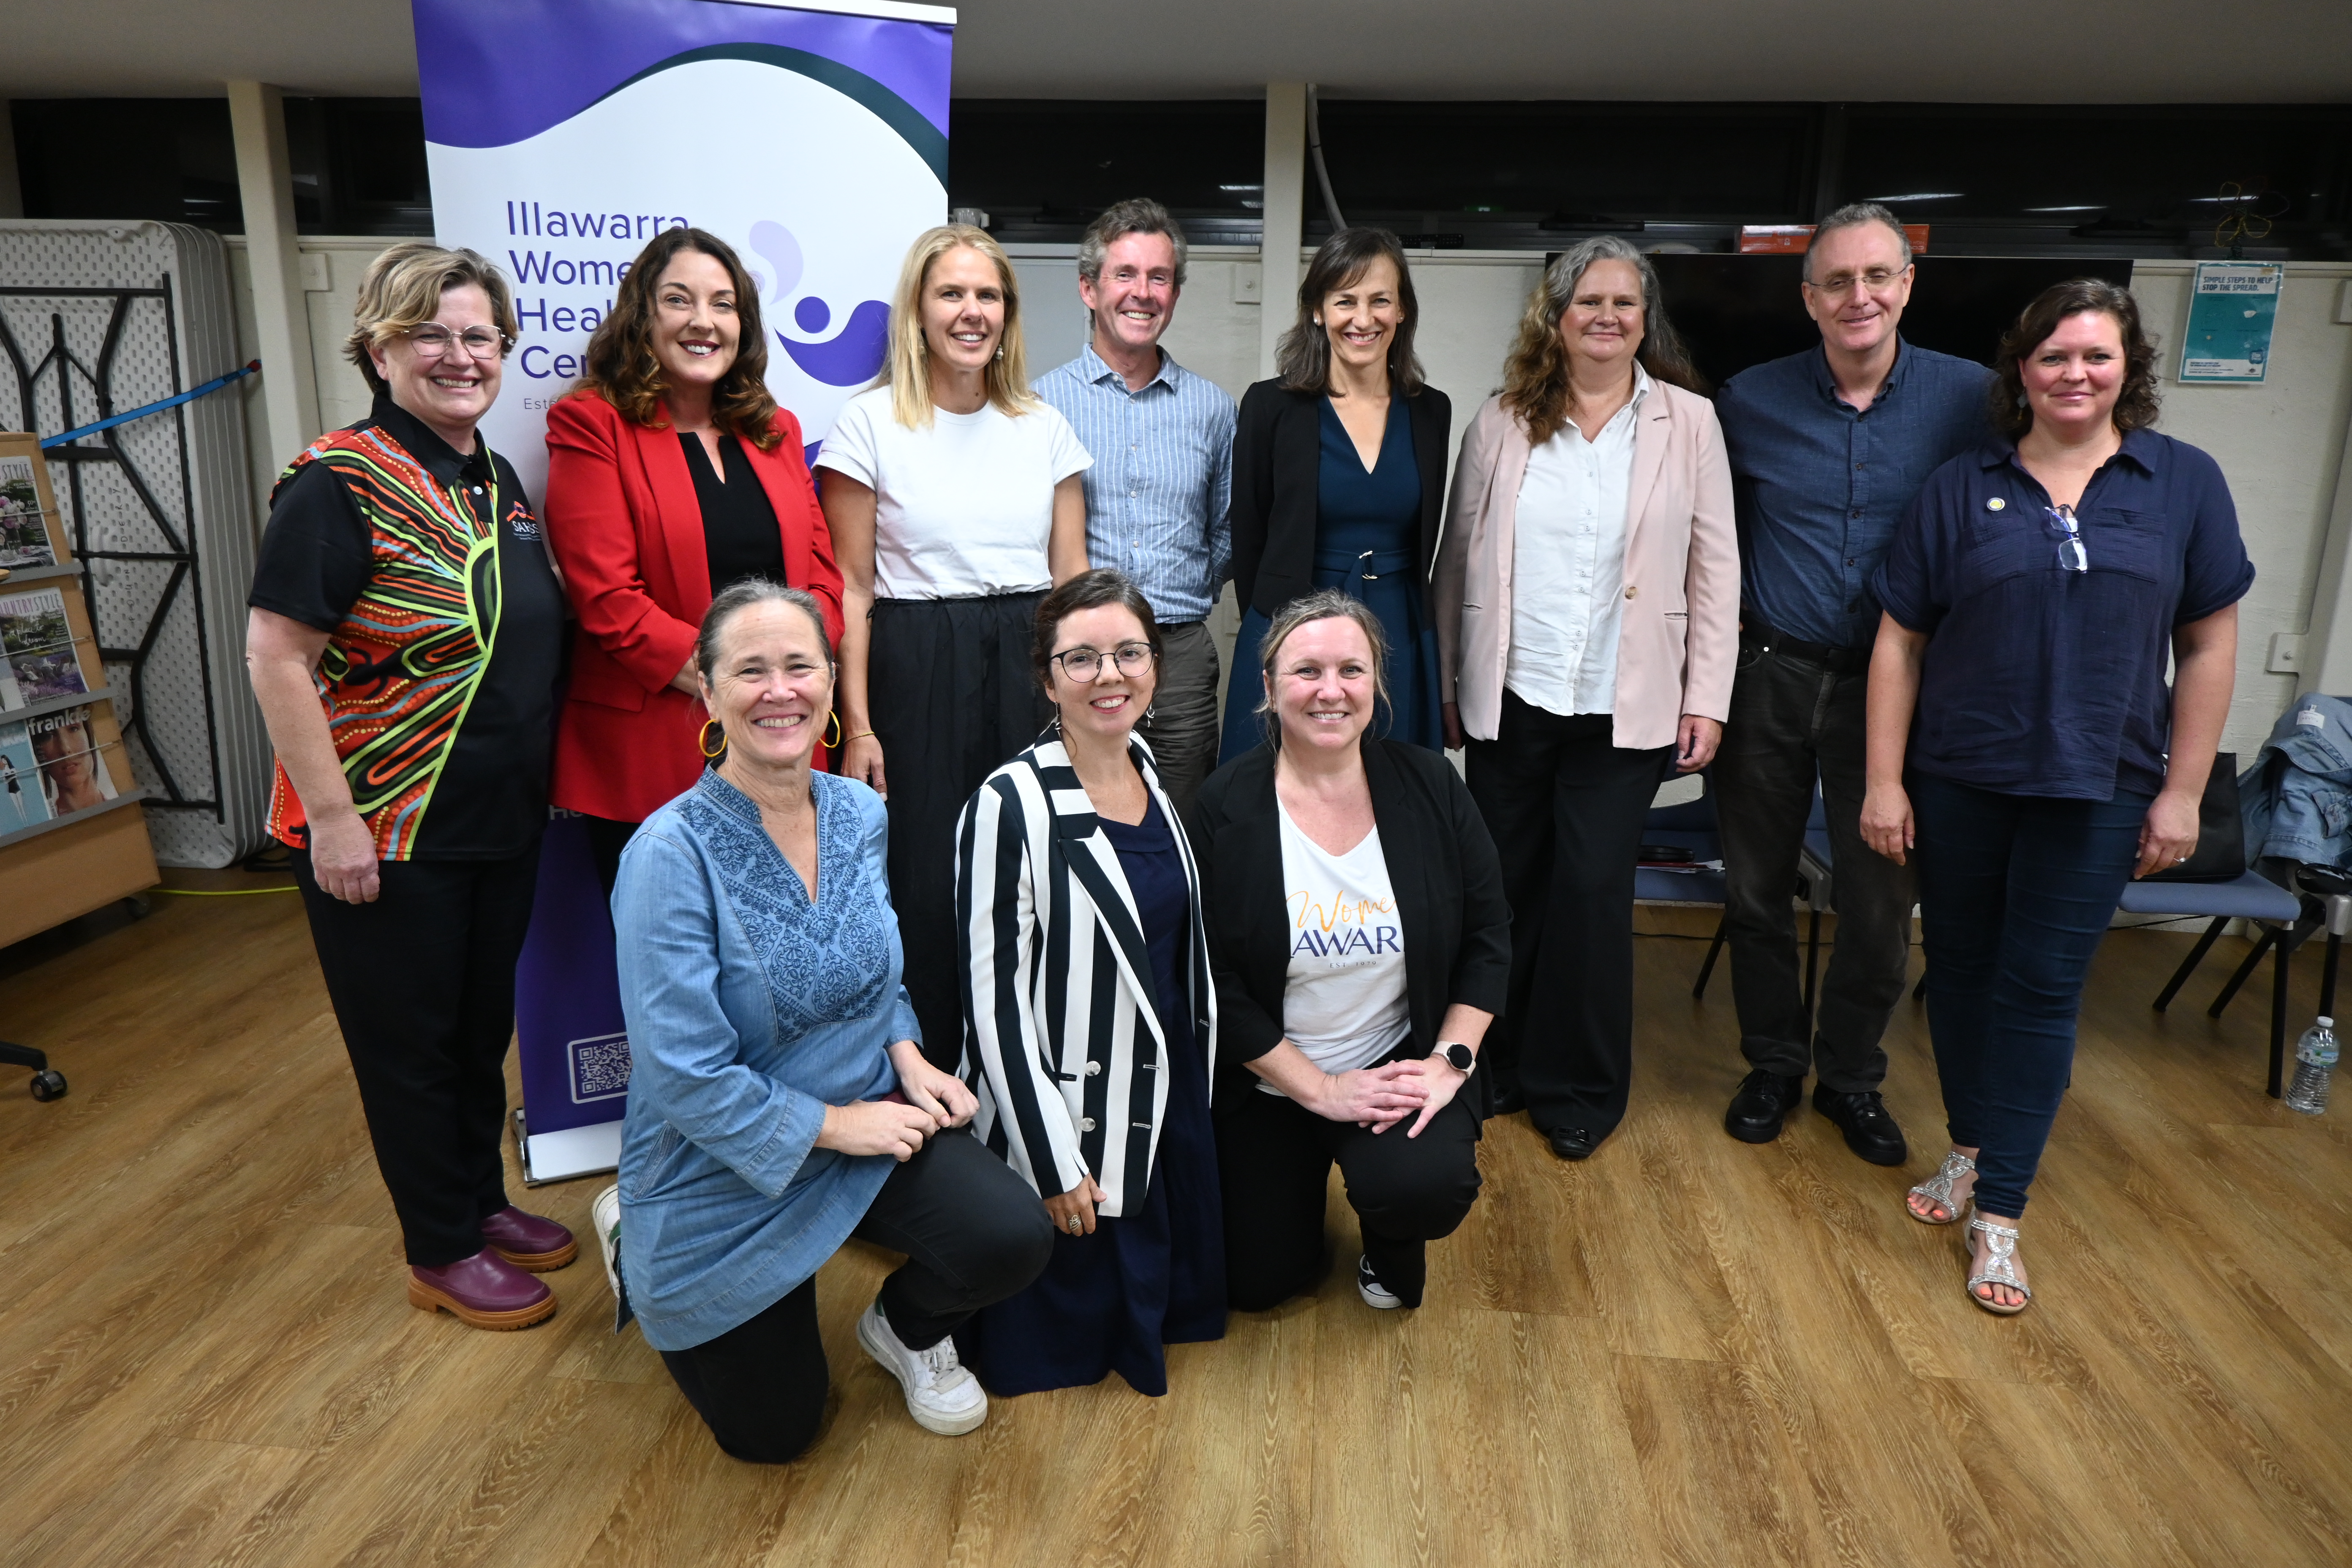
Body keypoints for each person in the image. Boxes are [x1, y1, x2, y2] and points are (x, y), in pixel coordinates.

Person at [1862, 278, 2250, 1315]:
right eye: (2051, 357)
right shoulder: (1960, 487)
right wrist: (1886, 779)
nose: (2073, 374)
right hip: (1961, 780)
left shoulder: (2180, 484)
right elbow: (1900, 640)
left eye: (2094, 356)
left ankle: (2000, 1214)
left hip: (2099, 788)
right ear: (2019, 372)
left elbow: (2209, 642)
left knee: (2038, 992)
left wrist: (2179, 793)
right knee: (1958, 975)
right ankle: (1970, 1147)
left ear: (2128, 368)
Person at [611, 580, 1054, 1460]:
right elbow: (684, 1073)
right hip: (723, 1160)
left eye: (799, 665)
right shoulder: (668, 854)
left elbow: (872, 964)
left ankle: (904, 1328)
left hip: (870, 1109)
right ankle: (633, 1227)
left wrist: (907, 1051)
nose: (781, 690)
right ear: (707, 690)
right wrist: (841, 1125)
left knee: (1012, 1237)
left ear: (830, 678)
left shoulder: (858, 808)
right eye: (751, 670)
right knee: (775, 1433)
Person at [245, 243, 573, 1329]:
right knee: (411, 1045)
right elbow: (278, 654)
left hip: (496, 821)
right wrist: (334, 822)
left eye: (479, 335)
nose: (458, 355)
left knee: (477, 1032)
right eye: (428, 333)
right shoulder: (338, 482)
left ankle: (477, 1201)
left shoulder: (494, 478)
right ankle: (438, 1246)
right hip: (386, 826)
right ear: (379, 349)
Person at [1432, 236, 1737, 1160]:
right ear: (1555, 316)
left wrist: (1709, 696)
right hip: (1516, 691)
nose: (1607, 317)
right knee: (1506, 890)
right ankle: (1500, 1066)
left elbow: (1716, 567)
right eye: (1588, 302)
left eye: (1626, 304)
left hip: (1626, 700)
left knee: (1594, 893)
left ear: (1646, 319)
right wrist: (1451, 679)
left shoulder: (1689, 421)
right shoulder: (1500, 420)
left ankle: (1581, 1086)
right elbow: (1458, 560)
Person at [1707, 204, 1994, 1166]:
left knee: (1879, 902)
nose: (1857, 296)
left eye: (1877, 276)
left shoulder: (1973, 401)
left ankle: (1851, 1078)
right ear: (1807, 298)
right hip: (1768, 673)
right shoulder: (1745, 400)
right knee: (1753, 888)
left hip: (1901, 693)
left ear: (1906, 284)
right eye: (1836, 281)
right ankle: (1772, 1064)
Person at [817, 224, 1092, 1064]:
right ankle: (934, 1083)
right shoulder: (868, 424)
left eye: (989, 295)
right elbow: (853, 591)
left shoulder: (1044, 427)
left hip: (1028, 661)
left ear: (1007, 314)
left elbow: (1073, 586)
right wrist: (858, 727)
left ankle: (1034, 1073)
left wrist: (1088, 715)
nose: (972, 311)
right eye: (952, 293)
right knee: (929, 886)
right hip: (915, 662)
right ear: (919, 309)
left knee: (1035, 871)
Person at [1194, 591, 1509, 1312]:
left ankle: (1388, 1231)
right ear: (1269, 689)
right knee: (1259, 1284)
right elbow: (1212, 981)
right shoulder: (1224, 807)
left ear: (1377, 685)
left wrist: (1446, 1062)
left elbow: (1490, 935)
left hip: (1394, 1061)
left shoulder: (1432, 787)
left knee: (1419, 1188)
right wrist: (1318, 1088)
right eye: (1306, 671)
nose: (1330, 690)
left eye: (1351, 669)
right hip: (1273, 1076)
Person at [953, 569, 1224, 1396]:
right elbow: (992, 1004)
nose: (1110, 675)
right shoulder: (1011, 801)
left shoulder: (1152, 774)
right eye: (1083, 659)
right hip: (1073, 1105)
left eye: (1129, 653)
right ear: (1047, 677)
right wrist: (1050, 1158)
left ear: (1156, 665)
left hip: (1165, 1089)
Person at [544, 226, 845, 893]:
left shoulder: (775, 430)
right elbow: (608, 599)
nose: (703, 322)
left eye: (724, 303)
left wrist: (789, 682)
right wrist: (747, 685)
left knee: (782, 962)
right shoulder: (593, 423)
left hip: (783, 740)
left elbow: (823, 578)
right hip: (651, 752)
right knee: (674, 970)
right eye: (679, 301)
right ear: (643, 317)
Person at [1035, 200, 1238, 814]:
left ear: (1175, 292)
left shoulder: (1213, 408)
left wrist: (1180, 594)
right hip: (1077, 655)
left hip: (1178, 659)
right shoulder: (1039, 406)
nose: (1142, 293)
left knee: (1181, 826)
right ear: (1088, 288)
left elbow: (1227, 530)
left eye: (1160, 277)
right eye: (1125, 275)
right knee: (1077, 822)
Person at [1218, 228, 1450, 763]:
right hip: (1292, 620)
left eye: (1380, 301)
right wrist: (1275, 622)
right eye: (1345, 300)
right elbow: (1248, 534)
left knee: (1395, 791)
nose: (1362, 319)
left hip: (1398, 625)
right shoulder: (1270, 406)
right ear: (1318, 311)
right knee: (1278, 792)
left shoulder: (1431, 411)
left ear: (1402, 312)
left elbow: (1428, 538)